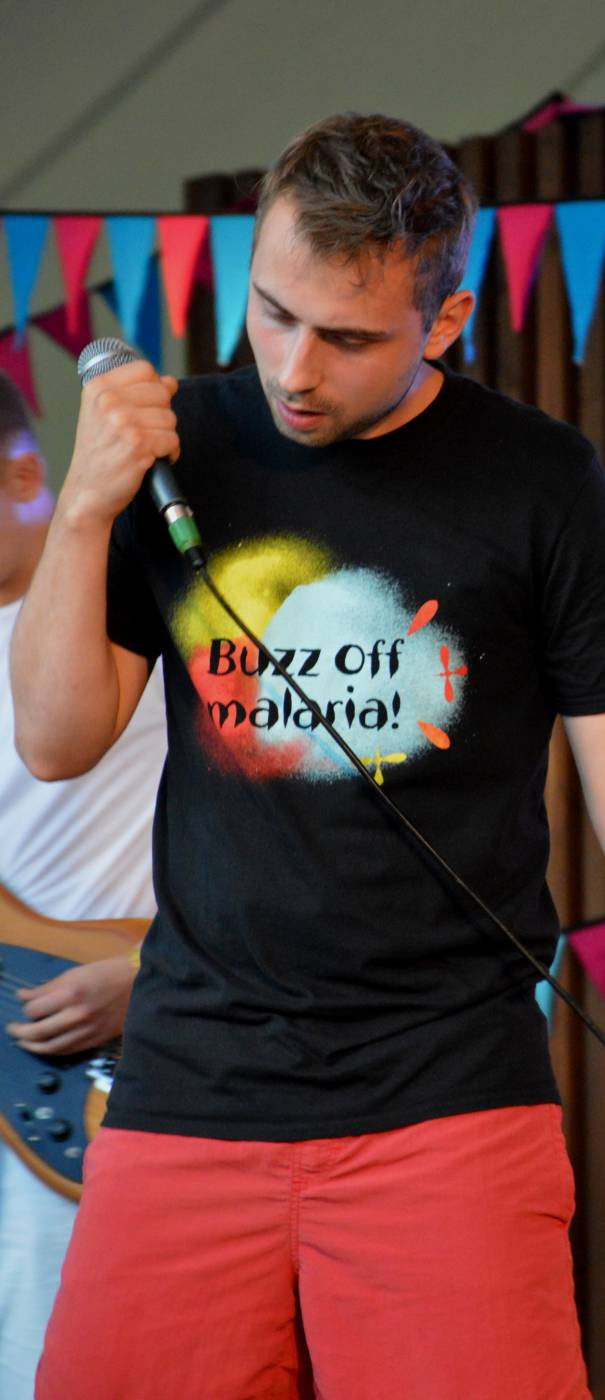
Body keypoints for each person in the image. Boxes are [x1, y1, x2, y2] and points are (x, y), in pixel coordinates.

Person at [12, 113, 605, 1400]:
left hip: (448, 1098)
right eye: (273, 313)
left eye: (346, 337)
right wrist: (88, 510)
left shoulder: (537, 476)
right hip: (189, 1087)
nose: (293, 369)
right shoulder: (180, 445)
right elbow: (55, 741)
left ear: (443, 319)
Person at [0, 373, 166, 1400]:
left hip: (103, 1080)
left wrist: (160, 972)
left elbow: (285, 836)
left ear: (26, 475)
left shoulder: (125, 614)